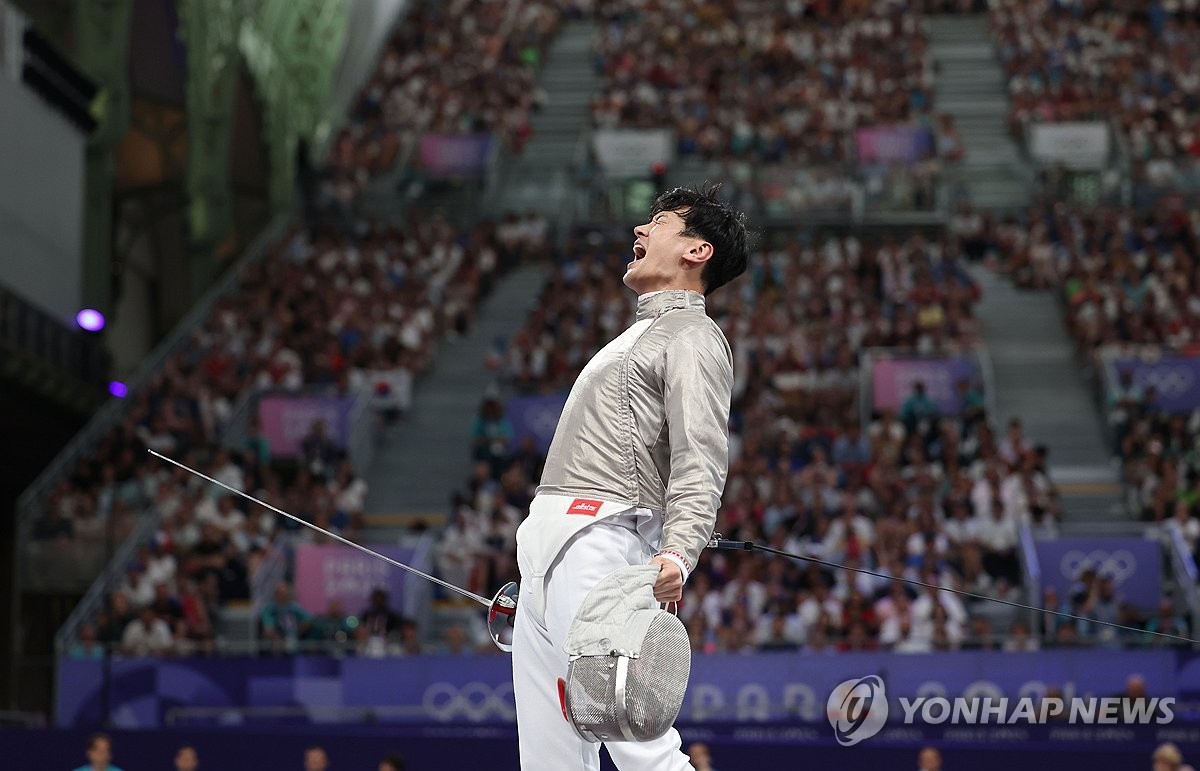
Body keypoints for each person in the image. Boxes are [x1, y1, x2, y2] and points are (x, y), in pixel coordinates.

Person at [511, 183, 750, 771]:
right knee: (550, 764)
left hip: (602, 546)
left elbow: (701, 455)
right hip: (547, 557)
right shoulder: (636, 337)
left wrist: (679, 553)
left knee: (642, 748)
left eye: (660, 222)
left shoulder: (693, 335)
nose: (640, 232)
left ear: (697, 252)